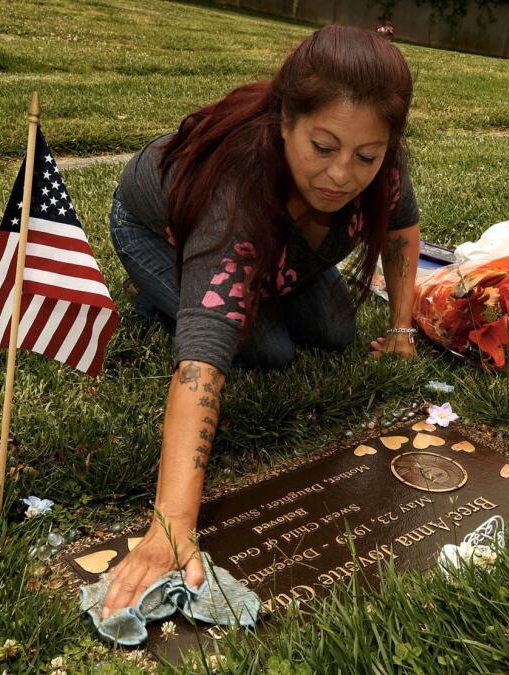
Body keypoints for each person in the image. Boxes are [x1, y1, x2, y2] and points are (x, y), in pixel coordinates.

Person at [100, 25, 420, 617]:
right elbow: (202, 366)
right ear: (284, 121)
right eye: (323, 147)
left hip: (276, 249)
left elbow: (401, 232)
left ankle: (243, 285)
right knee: (267, 348)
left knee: (337, 332)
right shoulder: (239, 188)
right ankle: (171, 293)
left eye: (365, 156)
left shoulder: (383, 164)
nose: (343, 175)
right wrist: (171, 525)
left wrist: (401, 331)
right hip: (156, 229)